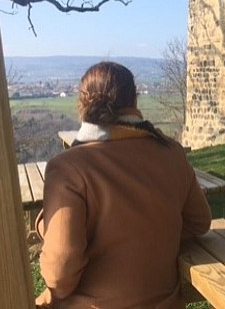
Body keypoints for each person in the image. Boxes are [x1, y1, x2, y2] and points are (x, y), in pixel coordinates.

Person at [35, 61, 211, 308]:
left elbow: (60, 275)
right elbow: (199, 222)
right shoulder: (171, 152)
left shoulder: (67, 167)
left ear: (82, 104)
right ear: (135, 102)